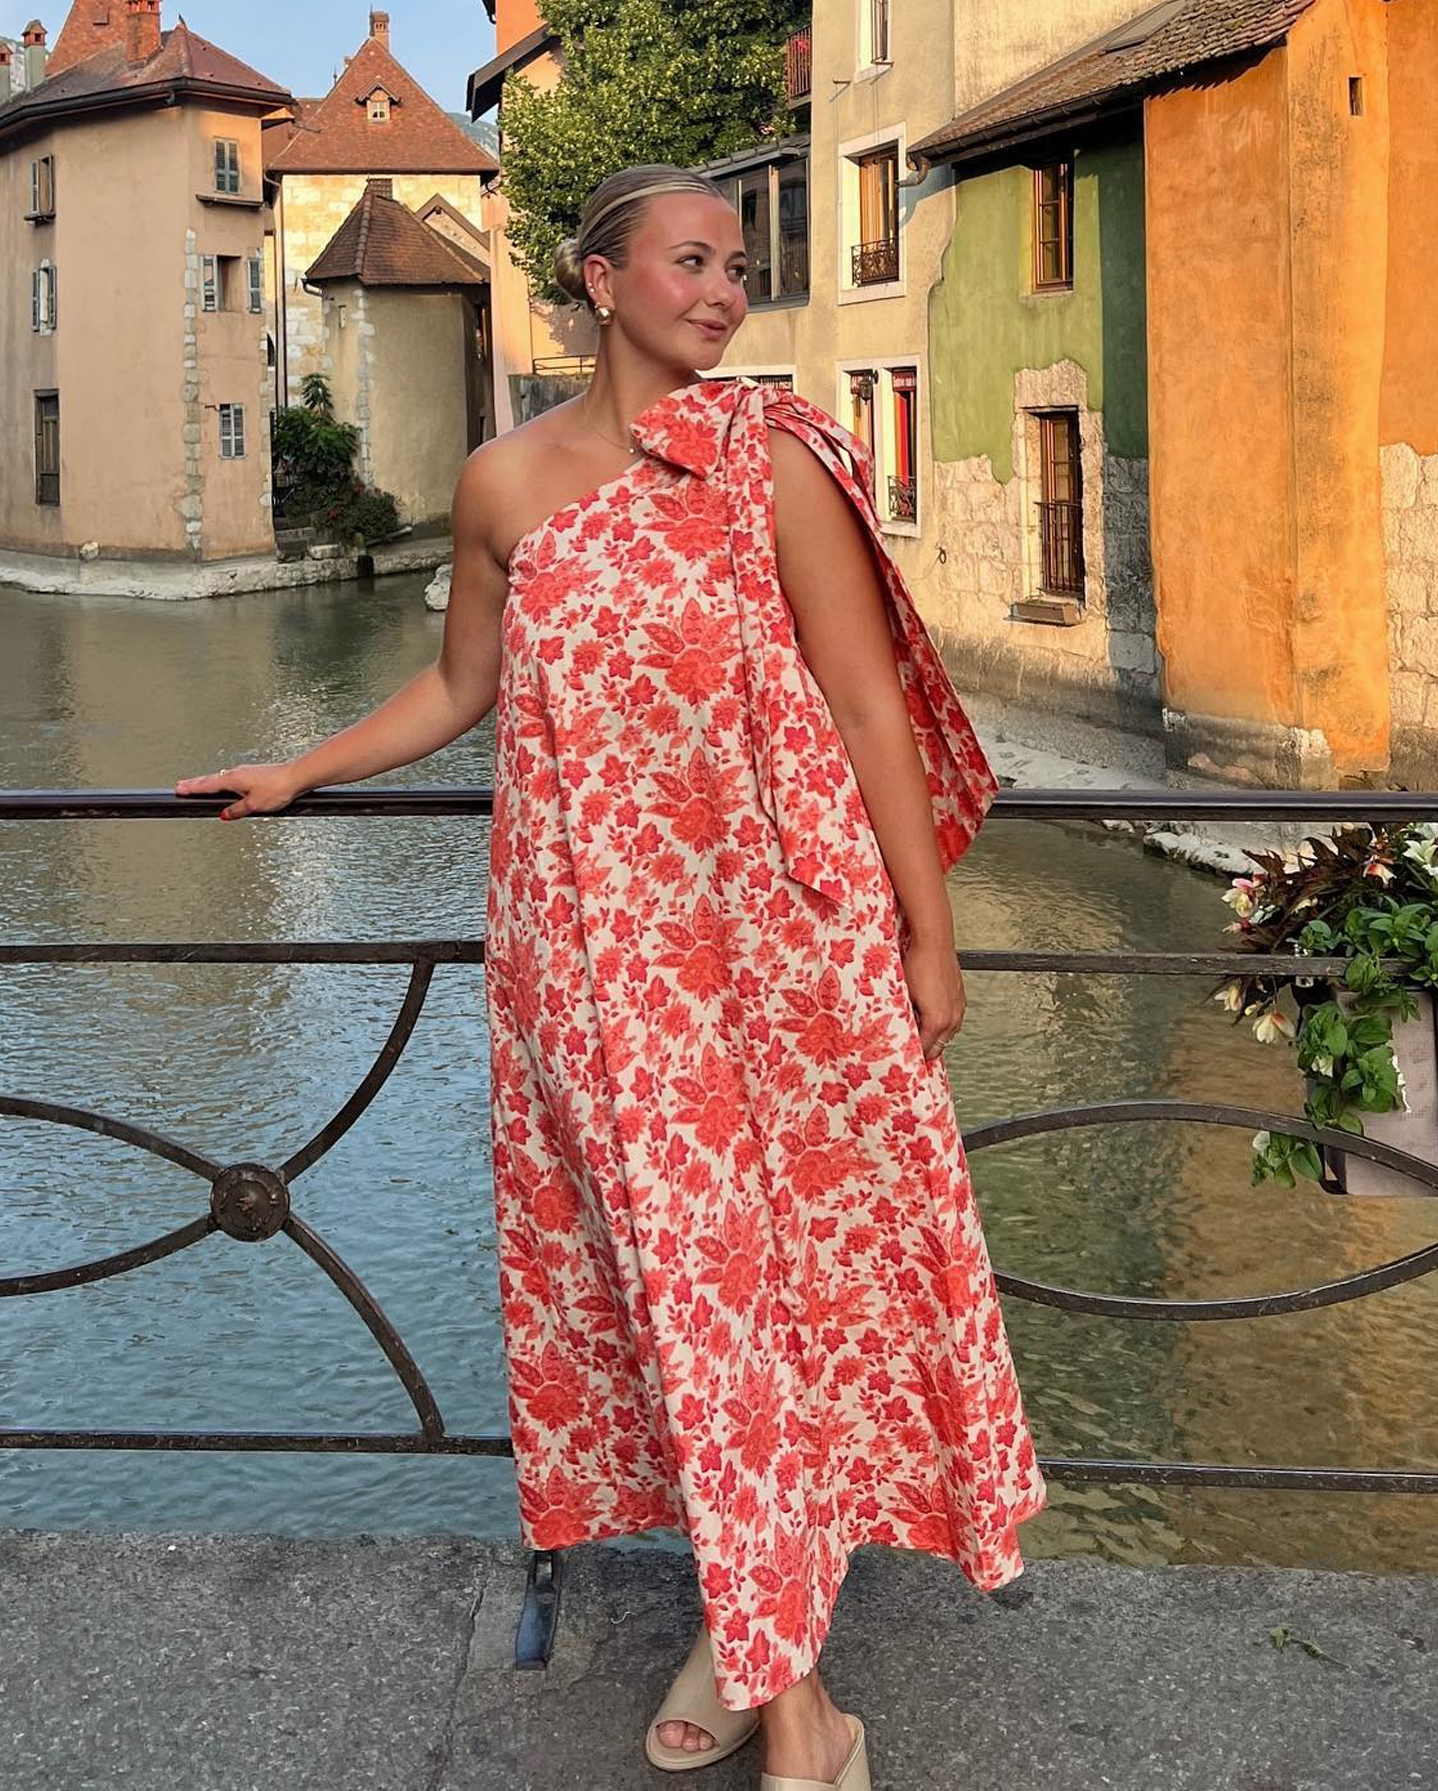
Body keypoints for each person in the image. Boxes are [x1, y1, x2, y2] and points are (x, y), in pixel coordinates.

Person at [176, 163, 1047, 1791]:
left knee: (790, 1305)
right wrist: (301, 770)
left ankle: (796, 1710)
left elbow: (867, 711)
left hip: (787, 952)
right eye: (692, 261)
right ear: (599, 279)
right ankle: (770, 1640)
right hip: (599, 966)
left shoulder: (767, 460)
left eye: (738, 266)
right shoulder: (504, 481)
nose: (723, 292)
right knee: (682, 1307)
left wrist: (927, 937)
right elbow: (457, 693)